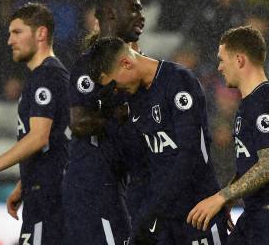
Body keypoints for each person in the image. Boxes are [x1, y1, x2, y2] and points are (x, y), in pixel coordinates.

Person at [88, 37, 228, 245]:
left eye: (114, 84)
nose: (115, 91)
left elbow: (189, 155)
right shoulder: (135, 96)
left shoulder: (178, 81)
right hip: (165, 217)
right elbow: (145, 164)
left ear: (126, 63)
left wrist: (153, 209)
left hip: (198, 211)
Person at [0, 3, 69, 244]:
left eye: (17, 32)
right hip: (43, 191)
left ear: (40, 33)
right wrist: (24, 183)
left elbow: (39, 137)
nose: (10, 40)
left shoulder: (46, 77)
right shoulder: (45, 76)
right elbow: (56, 140)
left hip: (50, 196)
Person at [187, 25, 269, 244]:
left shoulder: (264, 100)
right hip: (258, 213)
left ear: (240, 60)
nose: (220, 67)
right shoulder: (251, 103)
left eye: (223, 59)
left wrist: (221, 197)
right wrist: (230, 198)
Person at [63, 0, 149, 244]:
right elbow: (78, 122)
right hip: (93, 186)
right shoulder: (90, 64)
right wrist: (120, 113)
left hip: (115, 185)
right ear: (111, 14)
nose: (141, 16)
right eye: (133, 9)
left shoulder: (137, 65)